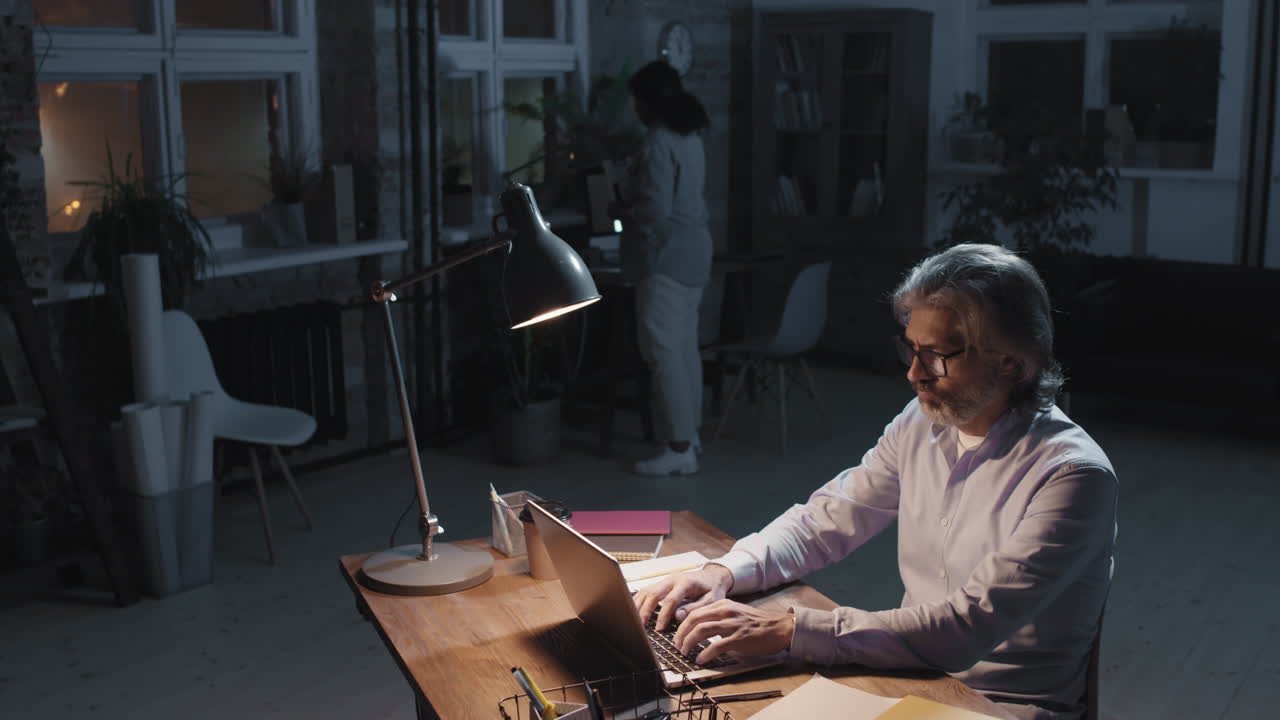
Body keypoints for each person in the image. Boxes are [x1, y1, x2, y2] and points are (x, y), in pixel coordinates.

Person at [633, 243, 1118, 720]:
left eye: (937, 355)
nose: (914, 373)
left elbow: (965, 628)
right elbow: (827, 519)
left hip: (999, 706)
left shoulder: (1073, 477)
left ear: (1013, 363)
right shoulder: (922, 422)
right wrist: (724, 572)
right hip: (914, 680)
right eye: (911, 348)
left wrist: (791, 630)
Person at [613, 61, 713, 477]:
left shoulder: (657, 143)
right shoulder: (690, 138)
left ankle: (678, 447)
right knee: (685, 349)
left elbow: (655, 209)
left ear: (649, 102)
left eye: (637, 100)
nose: (634, 108)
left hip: (665, 257)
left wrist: (621, 209)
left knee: (663, 353)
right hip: (694, 253)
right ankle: (690, 436)